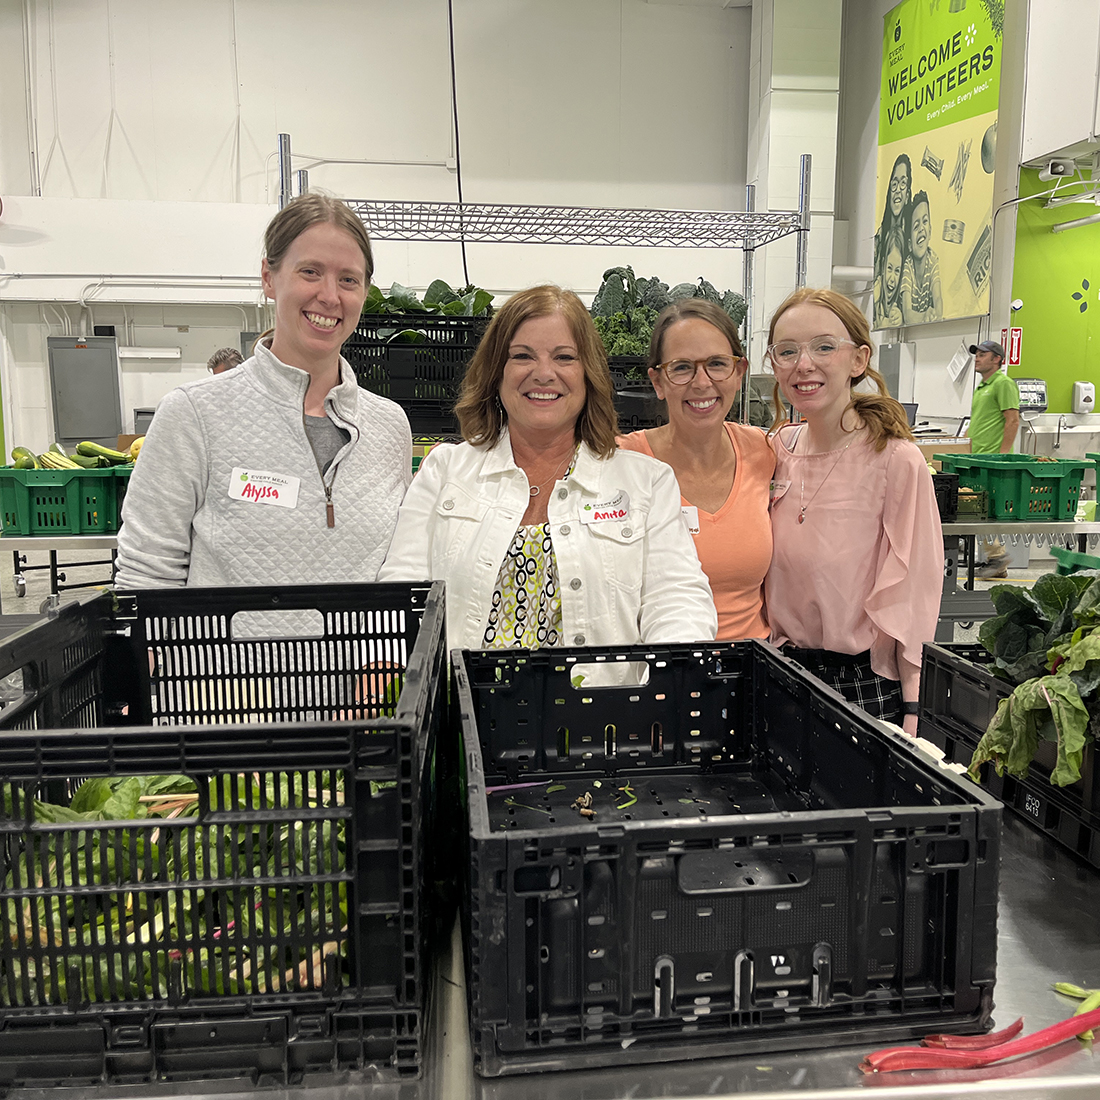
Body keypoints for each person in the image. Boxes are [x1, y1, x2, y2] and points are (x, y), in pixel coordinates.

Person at [378, 285, 717, 650]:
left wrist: (671, 678)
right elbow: (401, 592)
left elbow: (678, 601)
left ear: (589, 376)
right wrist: (386, 668)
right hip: (459, 701)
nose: (543, 373)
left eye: (565, 357)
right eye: (522, 356)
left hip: (603, 702)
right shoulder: (443, 472)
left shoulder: (647, 483)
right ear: (497, 372)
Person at [115, 192, 411, 588]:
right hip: (222, 652)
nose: (329, 295)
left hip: (365, 653)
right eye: (310, 272)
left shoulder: (390, 427)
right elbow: (145, 572)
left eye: (348, 280)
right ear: (269, 278)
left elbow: (398, 571)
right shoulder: (194, 415)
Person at [765, 288, 943, 735]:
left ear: (858, 360)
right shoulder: (775, 450)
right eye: (787, 351)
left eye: (824, 346)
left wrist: (914, 705)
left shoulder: (895, 460)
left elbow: (917, 589)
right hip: (779, 673)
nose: (803, 364)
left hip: (862, 685)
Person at [617, 299, 774, 641]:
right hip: (664, 673)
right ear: (658, 381)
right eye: (682, 367)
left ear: (739, 372)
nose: (702, 383)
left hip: (756, 672)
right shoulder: (625, 463)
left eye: (717, 364)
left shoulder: (764, 451)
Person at [968, 339, 1020, 579]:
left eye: (983, 354)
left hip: (992, 458)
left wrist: (1002, 455)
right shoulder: (981, 387)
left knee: (985, 509)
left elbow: (1012, 420)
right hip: (977, 455)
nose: (977, 358)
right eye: (976, 354)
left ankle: (997, 557)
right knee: (978, 508)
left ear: (997, 359)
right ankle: (995, 557)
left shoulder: (1003, 384)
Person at [873, 154, 911, 327]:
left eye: (903, 183)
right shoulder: (880, 238)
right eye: (894, 184)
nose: (898, 189)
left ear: (908, 192)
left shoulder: (911, 240)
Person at [900, 191, 942, 324]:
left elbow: (938, 300)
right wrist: (925, 316)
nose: (921, 229)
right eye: (916, 226)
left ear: (930, 231)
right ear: (909, 245)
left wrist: (936, 314)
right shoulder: (908, 266)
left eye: (925, 222)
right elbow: (907, 313)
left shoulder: (933, 260)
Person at [874, 227, 905, 330]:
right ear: (883, 264)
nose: (892, 278)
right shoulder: (876, 295)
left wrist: (899, 319)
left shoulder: (900, 304)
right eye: (889, 268)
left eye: (897, 271)